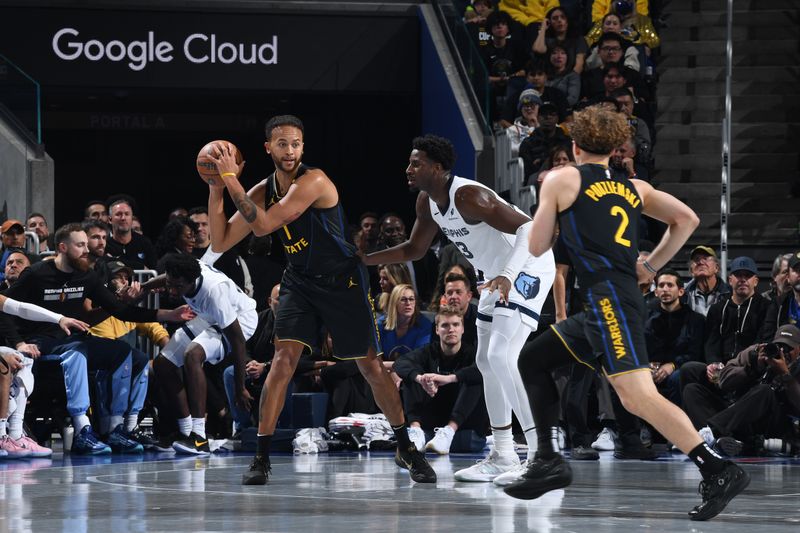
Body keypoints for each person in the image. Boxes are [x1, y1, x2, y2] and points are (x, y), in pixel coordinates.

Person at [504, 105, 749, 522]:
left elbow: (537, 245)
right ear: (614, 148)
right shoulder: (633, 187)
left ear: (575, 146)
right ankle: (547, 458)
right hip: (607, 300)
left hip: (609, 302)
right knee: (533, 358)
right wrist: (650, 267)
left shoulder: (564, 178)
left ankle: (717, 467)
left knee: (638, 396)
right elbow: (687, 219)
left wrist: (550, 202)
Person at [205, 114, 435, 485]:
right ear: (268, 148)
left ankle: (405, 445)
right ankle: (261, 457)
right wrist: (216, 188)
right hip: (300, 280)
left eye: (296, 143)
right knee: (282, 361)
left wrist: (231, 179)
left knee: (371, 369)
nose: (290, 150)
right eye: (282, 143)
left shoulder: (314, 180)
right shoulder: (264, 189)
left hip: (342, 280)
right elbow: (220, 241)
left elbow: (264, 226)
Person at [364, 134, 555, 484]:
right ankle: (502, 454)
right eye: (409, 163)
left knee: (500, 356)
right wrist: (362, 258)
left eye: (416, 163)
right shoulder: (427, 202)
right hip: (494, 276)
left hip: (528, 266)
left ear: (437, 168)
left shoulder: (469, 195)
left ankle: (543, 454)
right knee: (484, 362)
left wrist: (508, 275)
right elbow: (414, 250)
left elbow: (530, 228)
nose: (408, 169)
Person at [0, 223, 192, 454]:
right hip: (38, 340)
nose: (86, 250)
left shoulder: (86, 276)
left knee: (129, 354)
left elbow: (121, 311)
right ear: (62, 247)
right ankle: (83, 429)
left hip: (70, 337)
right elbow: (5, 307)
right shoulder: (37, 274)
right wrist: (19, 342)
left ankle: (116, 427)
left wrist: (168, 314)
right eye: (80, 245)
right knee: (77, 352)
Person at [143, 253, 257, 455]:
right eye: (170, 284)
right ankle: (186, 432)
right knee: (163, 364)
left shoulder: (214, 292)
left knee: (192, 355)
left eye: (178, 287)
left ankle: (199, 437)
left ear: (191, 281)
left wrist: (240, 388)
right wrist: (144, 289)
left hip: (241, 320)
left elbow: (238, 342)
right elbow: (165, 277)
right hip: (210, 315)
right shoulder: (184, 271)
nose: (171, 290)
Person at [393, 305, 488, 454]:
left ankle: (449, 431)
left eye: (456, 324)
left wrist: (450, 378)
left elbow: (484, 369)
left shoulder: (472, 353)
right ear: (437, 330)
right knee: (412, 375)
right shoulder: (429, 351)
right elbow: (400, 363)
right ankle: (416, 431)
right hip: (432, 420)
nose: (451, 329)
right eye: (445, 325)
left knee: (475, 376)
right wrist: (420, 379)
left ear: (462, 328)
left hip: (463, 424)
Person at [378, 284, 432, 362]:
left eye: (411, 299)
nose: (408, 303)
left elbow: (419, 360)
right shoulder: (381, 324)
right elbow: (375, 360)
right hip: (385, 372)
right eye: (403, 299)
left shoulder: (424, 325)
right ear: (394, 303)